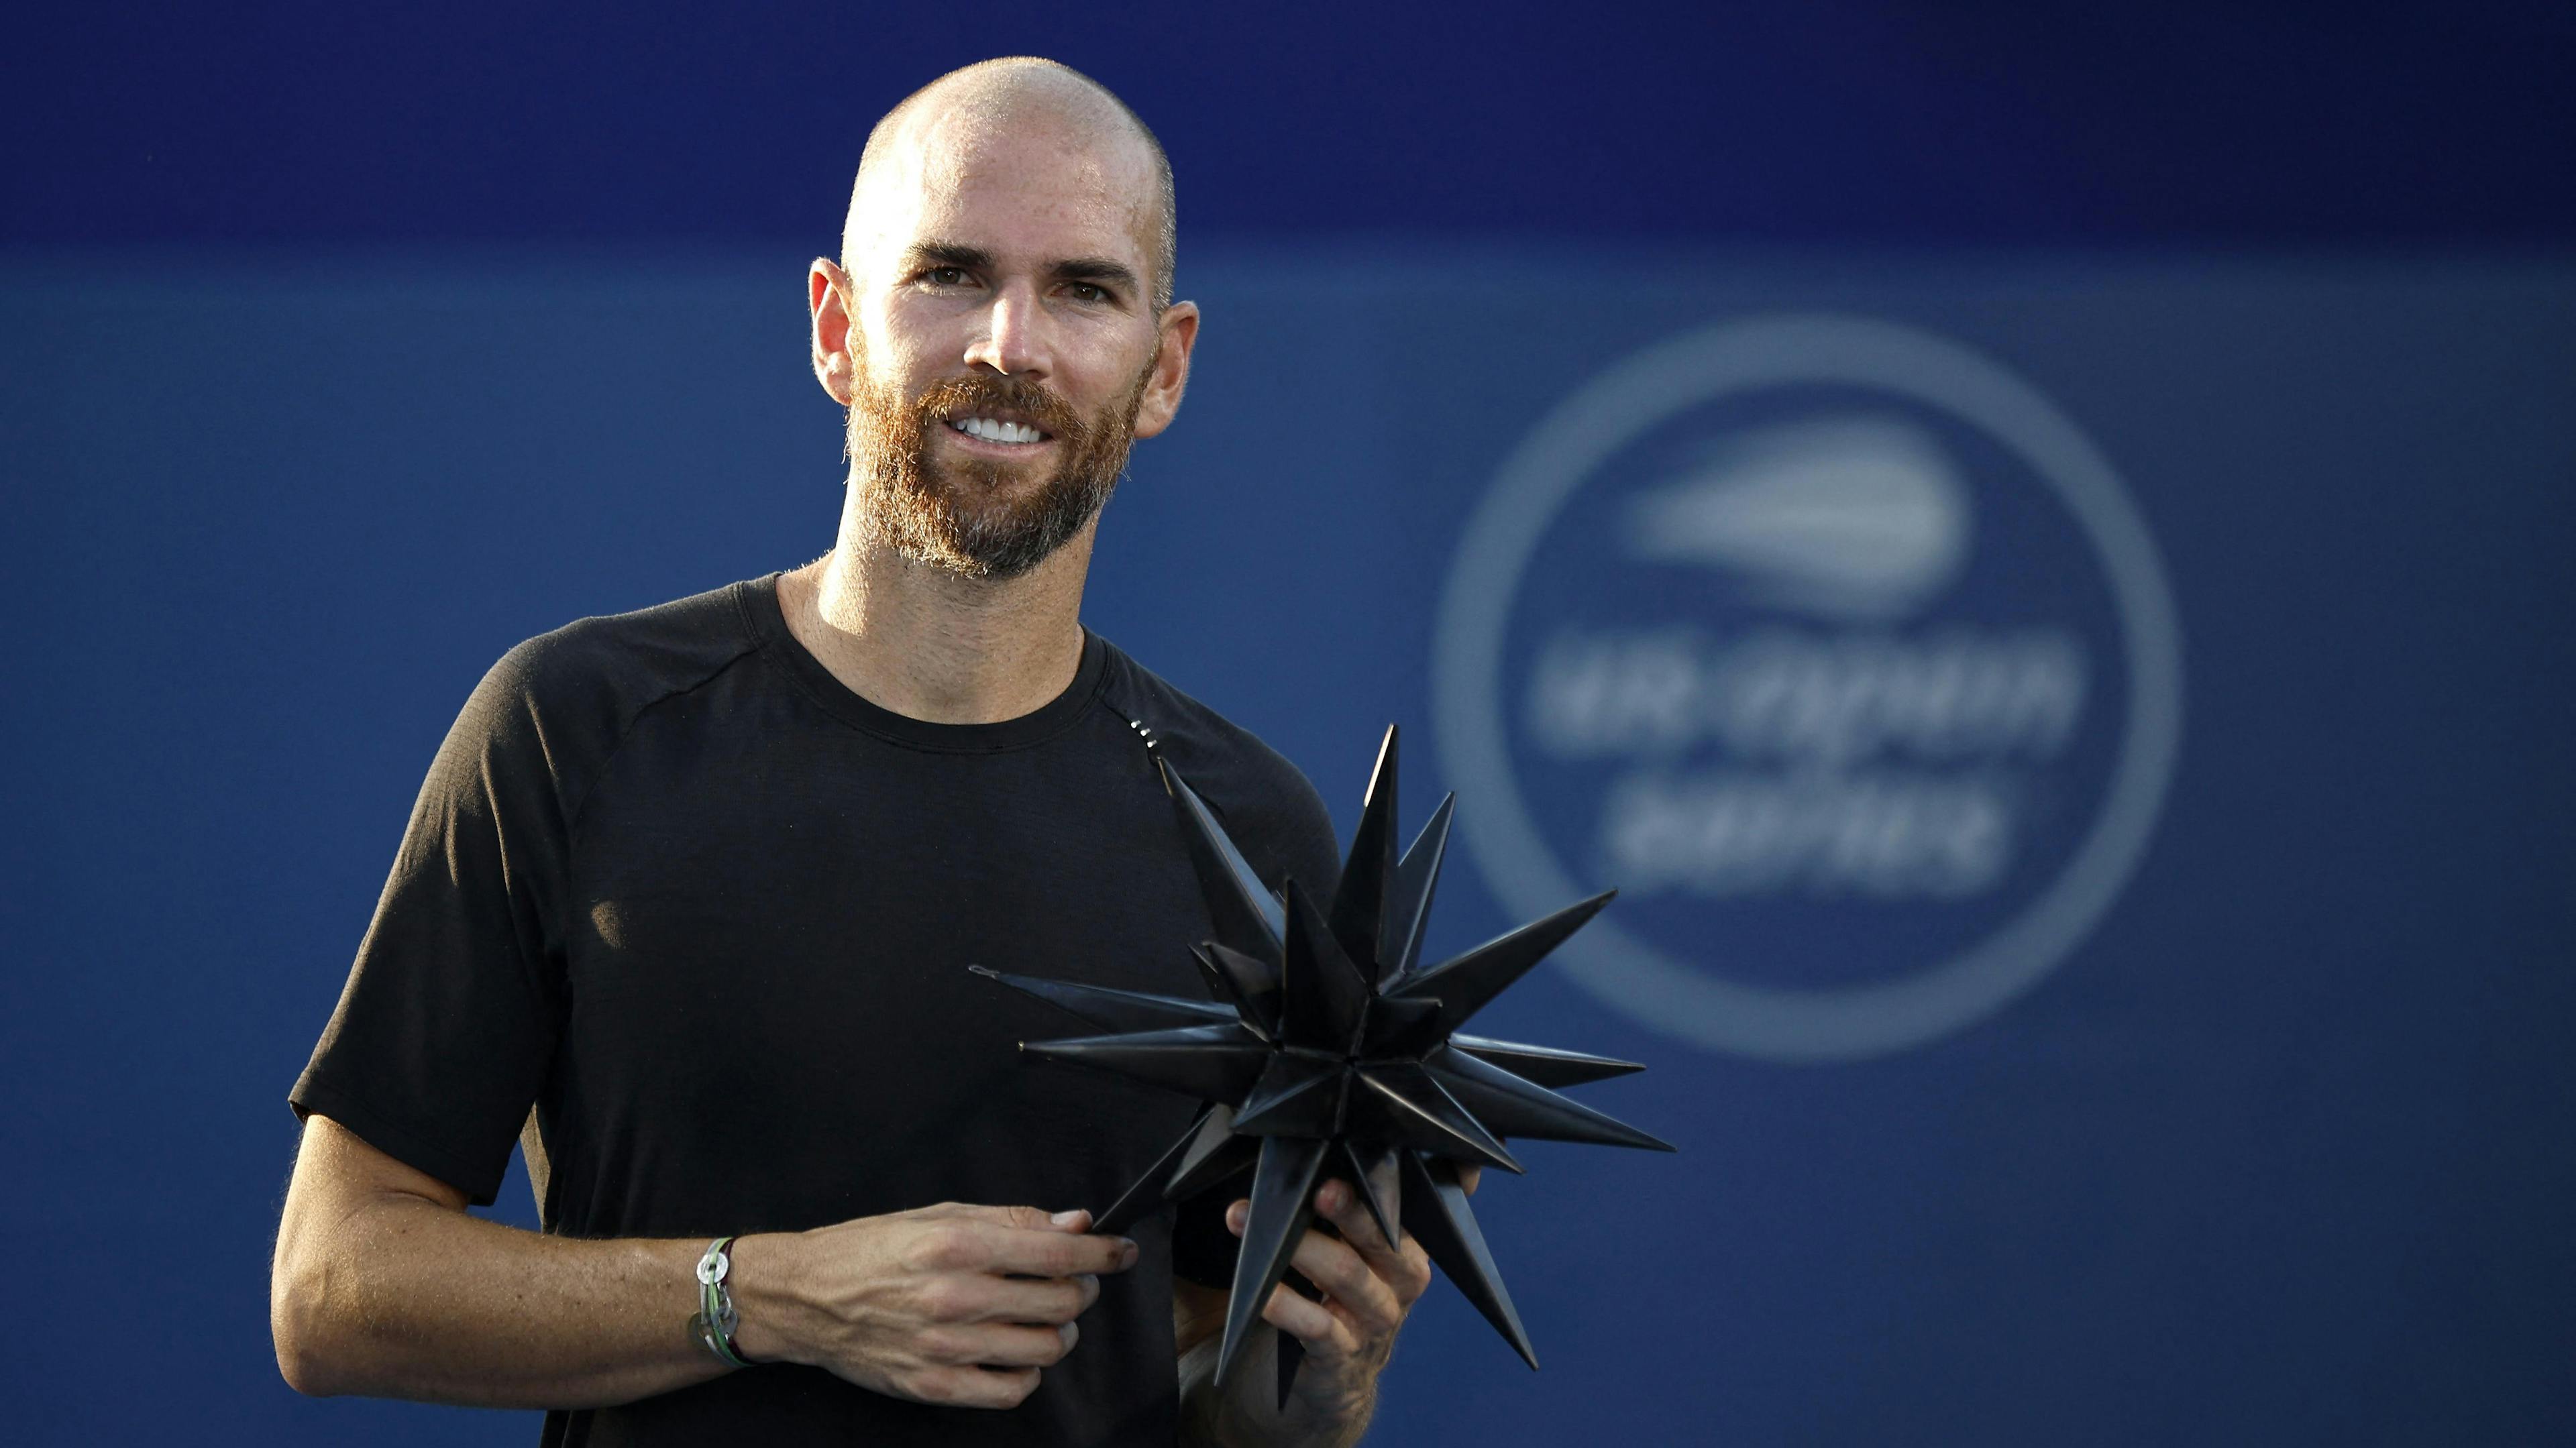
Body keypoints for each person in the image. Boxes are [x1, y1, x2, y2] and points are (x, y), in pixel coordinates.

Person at [270, 56, 1457, 1448]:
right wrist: (767, 1295)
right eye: (949, 274)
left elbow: (1193, 1385)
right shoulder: (575, 726)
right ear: (837, 327)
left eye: (1083, 289)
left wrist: (1320, 1393)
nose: (1010, 345)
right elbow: (334, 1289)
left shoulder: (1253, 836)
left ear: (1164, 367)